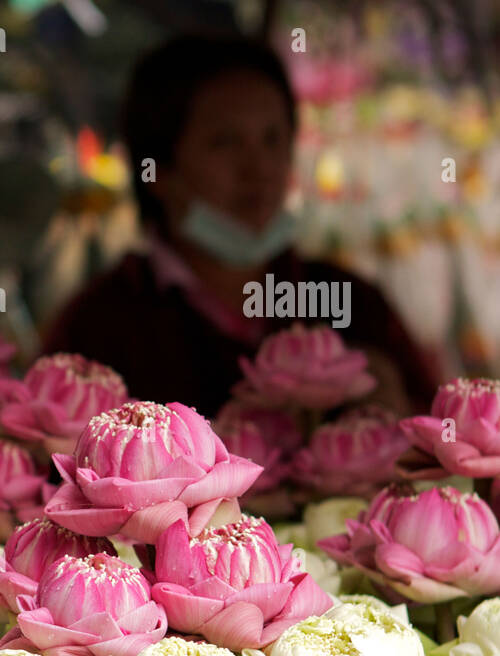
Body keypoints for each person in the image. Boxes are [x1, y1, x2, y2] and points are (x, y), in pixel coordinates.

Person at [42, 35, 439, 416]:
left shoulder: (354, 307)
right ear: (158, 170)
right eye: (225, 142)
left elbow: (436, 439)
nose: (258, 168)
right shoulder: (96, 331)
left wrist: (396, 413)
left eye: (272, 139)